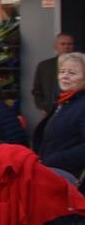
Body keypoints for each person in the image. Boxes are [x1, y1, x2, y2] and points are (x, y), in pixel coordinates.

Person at [35, 51, 85, 180]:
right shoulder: (64, 101)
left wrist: (55, 160)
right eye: (62, 72)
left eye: (72, 73)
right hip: (52, 172)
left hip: (68, 176)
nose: (64, 76)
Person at [32, 33, 77, 116]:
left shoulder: (80, 65)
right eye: (63, 44)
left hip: (74, 110)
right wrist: (43, 107)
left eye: (69, 44)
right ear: (56, 46)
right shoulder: (44, 66)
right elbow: (37, 90)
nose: (66, 47)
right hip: (51, 110)